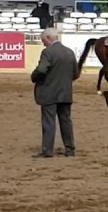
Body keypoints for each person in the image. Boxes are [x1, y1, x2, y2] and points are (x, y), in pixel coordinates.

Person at [31, 30, 81, 158]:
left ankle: (47, 150)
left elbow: (41, 70)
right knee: (66, 121)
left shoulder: (48, 52)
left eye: (44, 41)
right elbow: (75, 73)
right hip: (65, 93)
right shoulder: (69, 52)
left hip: (49, 93)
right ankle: (70, 150)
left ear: (48, 38)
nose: (44, 44)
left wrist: (34, 77)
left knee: (48, 122)